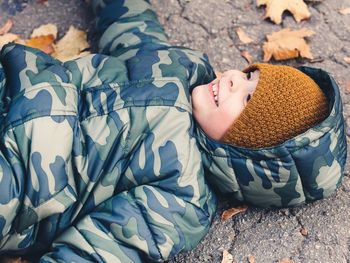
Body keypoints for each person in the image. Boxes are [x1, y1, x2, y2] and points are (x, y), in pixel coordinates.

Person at [0, 0, 346, 262]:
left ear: (247, 149)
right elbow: (133, 28)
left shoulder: (183, 197)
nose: (232, 80)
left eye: (245, 98)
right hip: (17, 85)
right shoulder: (182, 66)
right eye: (248, 74)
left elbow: (101, 249)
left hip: (21, 180)